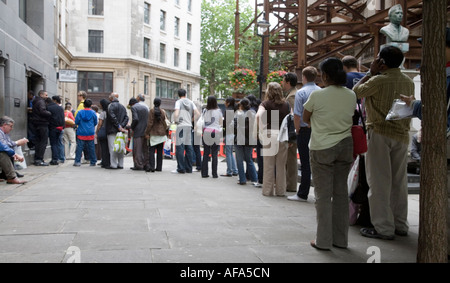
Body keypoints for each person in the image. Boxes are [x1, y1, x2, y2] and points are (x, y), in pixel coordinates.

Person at [353, 45, 414, 240]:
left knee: (379, 183)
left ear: (381, 62)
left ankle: (384, 228)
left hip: (379, 133)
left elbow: (355, 92)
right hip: (402, 135)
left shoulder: (378, 80)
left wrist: (370, 72)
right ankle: (401, 224)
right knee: (399, 182)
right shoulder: (408, 82)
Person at [303, 57, 356, 250]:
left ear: (324, 75)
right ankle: (341, 239)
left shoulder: (318, 96)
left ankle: (323, 240)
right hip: (345, 146)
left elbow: (306, 117)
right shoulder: (351, 95)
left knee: (323, 195)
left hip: (322, 147)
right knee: (341, 193)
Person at [288, 66, 321, 202]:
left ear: (304, 77)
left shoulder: (301, 93)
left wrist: (297, 130)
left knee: (305, 162)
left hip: (304, 129)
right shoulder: (321, 91)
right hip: (318, 129)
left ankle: (303, 193)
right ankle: (320, 193)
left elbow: (297, 115)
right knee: (318, 162)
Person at [256, 82, 290, 197]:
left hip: (270, 134)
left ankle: (267, 190)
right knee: (281, 165)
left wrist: (262, 130)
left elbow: (258, 116)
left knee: (269, 165)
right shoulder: (286, 105)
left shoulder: (265, 104)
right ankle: (281, 191)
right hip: (282, 135)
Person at [172, 89, 200, 174]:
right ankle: (189, 168)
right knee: (189, 148)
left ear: (178, 95)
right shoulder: (191, 102)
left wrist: (176, 120)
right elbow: (198, 113)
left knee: (180, 148)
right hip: (189, 126)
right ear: (185, 94)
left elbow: (176, 113)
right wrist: (191, 120)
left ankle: (181, 168)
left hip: (181, 126)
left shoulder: (178, 102)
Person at [233, 98, 258, 185]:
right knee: (249, 160)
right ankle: (255, 179)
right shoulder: (254, 114)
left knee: (239, 160)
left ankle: (242, 179)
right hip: (250, 140)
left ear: (242, 106)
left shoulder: (238, 114)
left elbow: (234, 127)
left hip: (239, 139)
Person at [281, 72, 299, 192]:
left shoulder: (291, 96)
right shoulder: (294, 94)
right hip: (298, 131)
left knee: (291, 159)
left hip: (294, 133)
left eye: (283, 81)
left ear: (288, 82)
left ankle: (291, 185)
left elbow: (293, 117)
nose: (282, 83)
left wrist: (291, 136)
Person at [200, 96, 223, 178]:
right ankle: (214, 173)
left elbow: (202, 123)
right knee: (214, 153)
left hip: (206, 132)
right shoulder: (219, 111)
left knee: (206, 153)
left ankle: (204, 173)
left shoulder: (205, 111)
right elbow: (221, 123)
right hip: (216, 132)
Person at [105, 93, 129, 169]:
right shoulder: (122, 107)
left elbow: (112, 116)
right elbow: (126, 117)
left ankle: (114, 164)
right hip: (121, 131)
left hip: (112, 130)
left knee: (112, 147)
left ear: (111, 99)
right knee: (121, 147)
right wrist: (122, 126)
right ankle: (121, 164)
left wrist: (118, 126)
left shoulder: (110, 106)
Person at [145, 98, 169, 172]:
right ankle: (159, 167)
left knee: (151, 151)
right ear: (160, 103)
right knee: (159, 151)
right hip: (162, 133)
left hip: (153, 133)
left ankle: (152, 167)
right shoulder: (162, 111)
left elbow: (150, 123)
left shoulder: (151, 111)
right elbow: (165, 123)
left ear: (153, 102)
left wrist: (146, 132)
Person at [73, 99, 98, 167]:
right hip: (90, 132)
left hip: (81, 132)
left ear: (84, 105)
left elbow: (76, 122)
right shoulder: (93, 113)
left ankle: (77, 161)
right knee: (91, 148)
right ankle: (93, 161)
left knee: (79, 148)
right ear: (91, 105)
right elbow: (96, 122)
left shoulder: (80, 112)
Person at [31, 90, 52, 166]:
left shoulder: (36, 101)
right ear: (41, 95)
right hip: (42, 123)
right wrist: (49, 113)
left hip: (37, 123)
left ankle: (37, 159)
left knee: (38, 141)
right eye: (46, 95)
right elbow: (42, 111)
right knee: (43, 142)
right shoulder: (41, 102)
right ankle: (39, 159)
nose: (47, 96)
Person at [129, 97, 149, 171]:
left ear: (132, 104)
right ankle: (146, 164)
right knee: (145, 149)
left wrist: (132, 127)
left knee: (137, 149)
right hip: (145, 130)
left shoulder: (134, 107)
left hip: (138, 131)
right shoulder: (145, 108)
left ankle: (138, 165)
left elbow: (135, 119)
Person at [247, 94, 263, 184]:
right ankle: (251, 175)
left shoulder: (251, 111)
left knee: (249, 157)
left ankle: (252, 176)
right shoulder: (258, 108)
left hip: (254, 134)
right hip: (259, 134)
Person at [221, 97, 238, 177]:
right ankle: (234, 170)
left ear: (228, 102)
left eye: (225, 101)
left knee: (228, 152)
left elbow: (224, 123)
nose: (224, 102)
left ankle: (229, 171)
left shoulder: (228, 111)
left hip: (229, 132)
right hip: (234, 133)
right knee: (231, 152)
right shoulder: (235, 110)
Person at [47, 96, 65, 165]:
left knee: (53, 144)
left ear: (54, 100)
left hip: (53, 127)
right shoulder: (60, 108)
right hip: (60, 128)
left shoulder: (49, 107)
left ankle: (55, 159)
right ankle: (60, 158)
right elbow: (62, 118)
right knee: (59, 143)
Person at [96, 99, 111, 169]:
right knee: (108, 148)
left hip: (103, 131)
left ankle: (104, 162)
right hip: (110, 131)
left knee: (104, 148)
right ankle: (109, 161)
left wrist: (97, 131)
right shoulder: (110, 112)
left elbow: (100, 124)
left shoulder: (103, 113)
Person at [191, 101, 203, 172]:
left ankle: (198, 165)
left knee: (195, 148)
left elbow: (195, 119)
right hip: (197, 132)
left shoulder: (196, 113)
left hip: (195, 131)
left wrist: (190, 120)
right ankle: (199, 165)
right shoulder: (199, 113)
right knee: (197, 148)